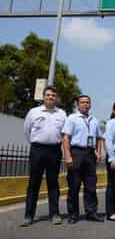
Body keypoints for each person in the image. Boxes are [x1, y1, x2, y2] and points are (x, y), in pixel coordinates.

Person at [21, 86, 66, 227]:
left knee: (53, 183)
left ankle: (55, 214)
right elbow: (27, 131)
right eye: (48, 95)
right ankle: (29, 215)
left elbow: (65, 134)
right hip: (38, 150)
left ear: (56, 97)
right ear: (43, 96)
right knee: (34, 183)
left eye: (53, 95)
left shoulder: (62, 114)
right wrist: (37, 144)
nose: (50, 97)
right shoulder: (33, 112)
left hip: (55, 150)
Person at [62, 94, 104, 224]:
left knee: (91, 185)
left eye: (87, 102)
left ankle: (91, 212)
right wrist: (67, 155)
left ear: (90, 105)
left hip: (90, 154)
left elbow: (98, 138)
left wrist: (98, 151)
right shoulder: (72, 118)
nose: (85, 104)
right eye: (82, 102)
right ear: (77, 105)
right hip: (76, 152)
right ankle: (73, 214)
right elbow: (65, 137)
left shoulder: (94, 120)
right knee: (74, 185)